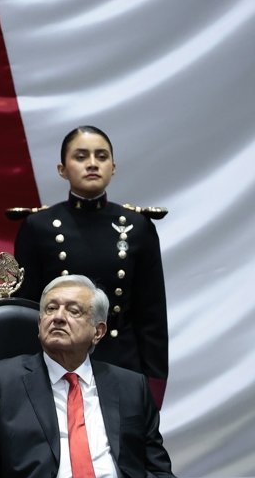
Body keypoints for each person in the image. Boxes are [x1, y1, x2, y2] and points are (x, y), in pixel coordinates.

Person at [0, 275, 173, 478]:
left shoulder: (131, 386)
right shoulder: (0, 381)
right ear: (40, 324)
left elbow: (157, 470)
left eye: (73, 311)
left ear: (98, 332)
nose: (58, 317)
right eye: (51, 309)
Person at [11, 126, 168, 406]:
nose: (93, 163)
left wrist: (154, 385)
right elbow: (26, 310)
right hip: (55, 364)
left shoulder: (137, 227)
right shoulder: (39, 227)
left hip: (123, 364)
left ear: (113, 167)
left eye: (101, 156)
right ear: (62, 169)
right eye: (81, 156)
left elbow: (152, 316)